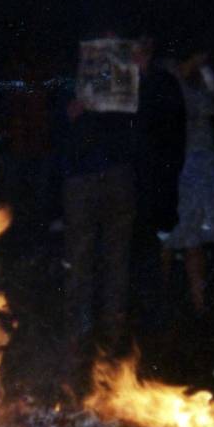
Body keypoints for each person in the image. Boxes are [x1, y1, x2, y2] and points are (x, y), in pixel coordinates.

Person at [63, 26, 140, 360]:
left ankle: (113, 328)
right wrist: (70, 110)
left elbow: (142, 115)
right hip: (80, 175)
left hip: (118, 173)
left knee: (116, 255)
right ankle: (81, 326)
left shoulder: (130, 68)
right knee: (80, 255)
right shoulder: (72, 73)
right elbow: (56, 114)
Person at [163, 45, 214, 317]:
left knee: (195, 238)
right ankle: (162, 299)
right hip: (175, 163)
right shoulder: (168, 71)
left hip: (203, 162)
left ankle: (198, 303)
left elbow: (213, 110)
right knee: (167, 235)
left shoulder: (204, 76)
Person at [130, 34, 186, 330]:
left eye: (140, 51)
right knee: (133, 246)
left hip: (156, 179)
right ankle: (139, 312)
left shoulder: (163, 83)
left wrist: (168, 173)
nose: (136, 56)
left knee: (153, 245)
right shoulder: (123, 84)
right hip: (129, 179)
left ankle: (155, 313)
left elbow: (175, 133)